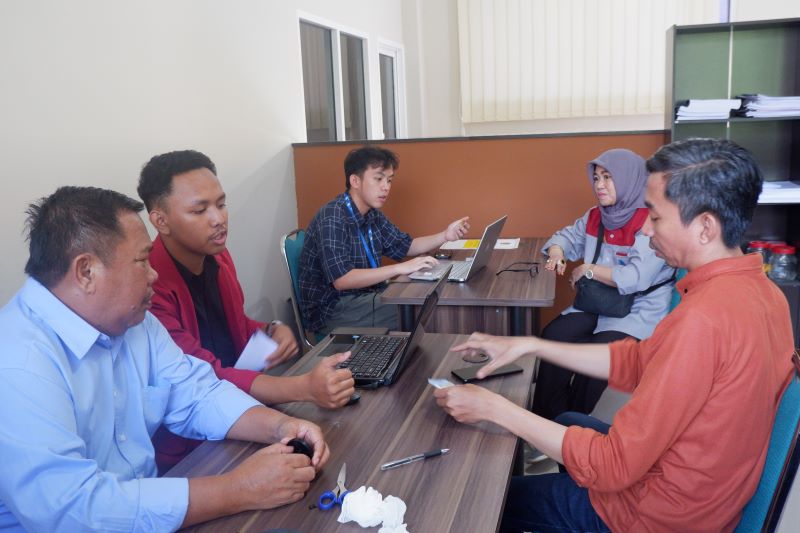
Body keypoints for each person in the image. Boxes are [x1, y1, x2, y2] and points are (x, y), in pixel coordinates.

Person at [434, 138, 795, 532]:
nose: (645, 227)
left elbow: (612, 465)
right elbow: (636, 360)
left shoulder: (702, 320)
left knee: (486, 498)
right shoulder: (766, 293)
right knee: (568, 420)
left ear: (705, 227)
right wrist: (532, 345)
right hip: (707, 491)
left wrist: (495, 409)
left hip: (657, 516)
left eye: (654, 216)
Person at [0, 186, 330, 532]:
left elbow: (197, 393)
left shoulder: (132, 322)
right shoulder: (18, 364)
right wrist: (237, 490)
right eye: (142, 260)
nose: (153, 274)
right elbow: (74, 511)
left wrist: (281, 427)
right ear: (86, 272)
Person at [137, 150, 355, 473]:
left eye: (221, 204)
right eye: (200, 210)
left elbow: (234, 323)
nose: (218, 219)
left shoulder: (217, 256)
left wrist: (270, 329)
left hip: (243, 413)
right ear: (160, 221)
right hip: (190, 449)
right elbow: (201, 378)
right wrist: (303, 388)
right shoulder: (149, 285)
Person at [533, 149, 675, 420]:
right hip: (597, 301)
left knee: (603, 354)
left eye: (608, 177)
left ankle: (573, 424)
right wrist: (557, 253)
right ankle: (546, 418)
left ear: (629, 179)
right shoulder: (596, 215)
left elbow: (636, 278)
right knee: (554, 335)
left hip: (637, 308)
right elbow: (564, 237)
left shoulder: (650, 221)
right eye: (596, 178)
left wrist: (588, 270)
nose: (599, 185)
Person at [298, 145, 470, 335]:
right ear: (355, 181)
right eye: (378, 179)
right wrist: (399, 269)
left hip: (367, 296)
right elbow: (342, 280)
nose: (386, 187)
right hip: (334, 310)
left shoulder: (373, 215)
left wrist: (445, 235)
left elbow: (406, 246)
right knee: (421, 309)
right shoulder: (332, 217)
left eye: (389, 180)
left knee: (424, 295)